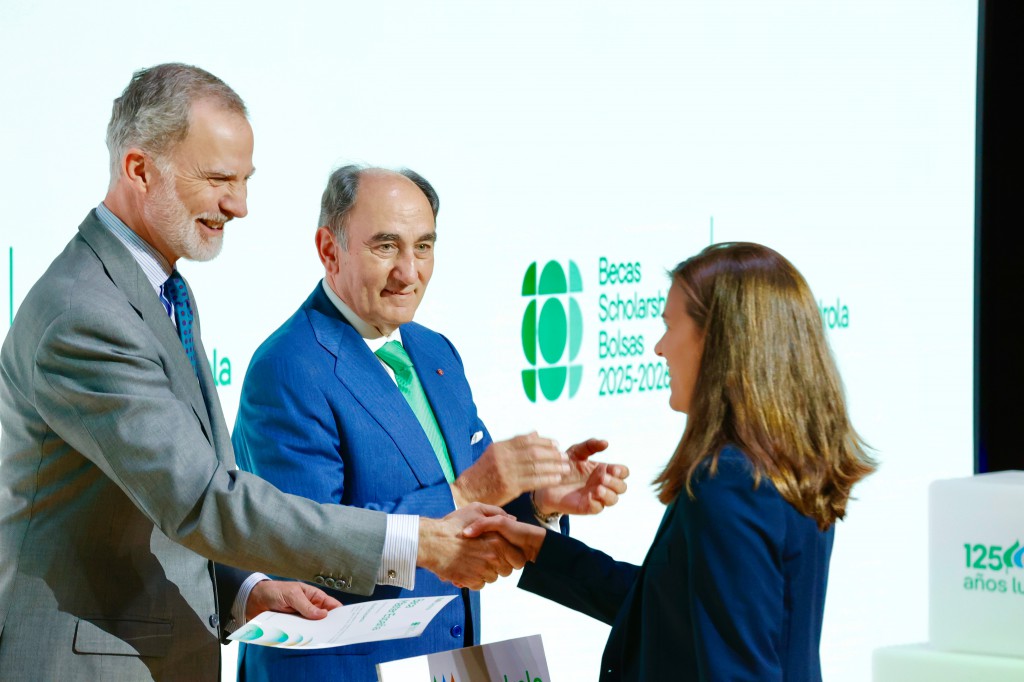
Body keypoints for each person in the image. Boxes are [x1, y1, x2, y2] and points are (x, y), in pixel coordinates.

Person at [0, 64, 523, 682]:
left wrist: (246, 591)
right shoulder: (85, 314)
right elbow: (202, 499)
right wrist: (416, 540)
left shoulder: (158, 288)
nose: (240, 206)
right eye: (219, 179)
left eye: (245, 180)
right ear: (139, 170)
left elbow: (163, 500)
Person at [231, 164, 630, 681]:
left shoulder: (435, 351)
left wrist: (538, 501)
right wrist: (470, 490)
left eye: (423, 247)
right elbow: (305, 551)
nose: (409, 272)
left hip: (447, 662)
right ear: (330, 250)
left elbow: (474, 504)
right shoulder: (287, 367)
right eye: (385, 247)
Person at [465, 242, 877, 681]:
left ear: (717, 341)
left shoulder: (732, 483)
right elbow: (673, 612)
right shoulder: (779, 462)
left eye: (669, 326)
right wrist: (540, 546)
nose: (659, 348)